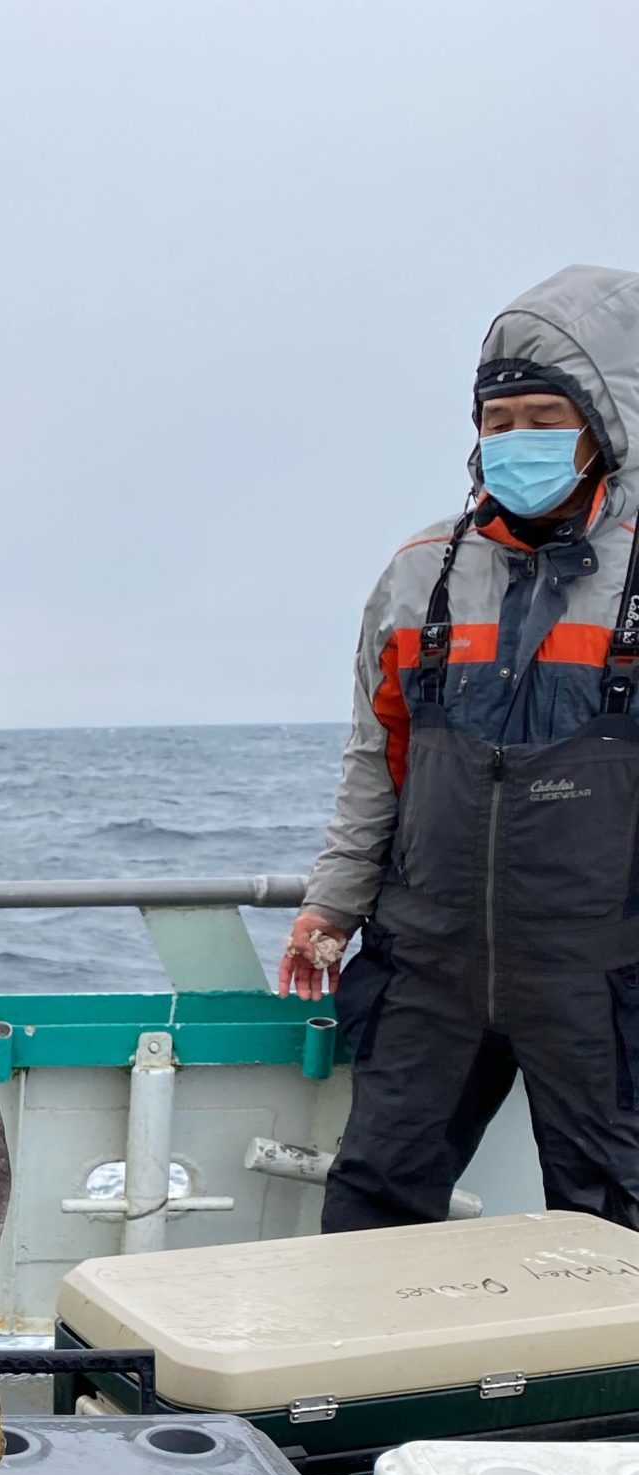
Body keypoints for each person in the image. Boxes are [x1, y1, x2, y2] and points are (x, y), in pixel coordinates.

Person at [280, 265, 639, 1231]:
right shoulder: (417, 573)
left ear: (605, 424)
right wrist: (331, 906)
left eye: (544, 418)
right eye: (499, 421)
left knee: (614, 1219)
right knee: (372, 1199)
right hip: (427, 963)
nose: (518, 441)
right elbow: (375, 760)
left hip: (603, 972)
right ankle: (365, 1383)